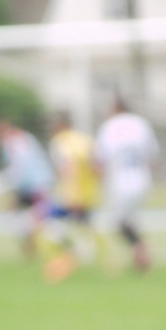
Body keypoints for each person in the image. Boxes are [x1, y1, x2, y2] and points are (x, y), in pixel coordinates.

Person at [95, 98, 160, 273]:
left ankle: (140, 250)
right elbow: (153, 156)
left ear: (115, 109)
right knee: (130, 221)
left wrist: (100, 181)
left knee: (116, 222)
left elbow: (100, 161)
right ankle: (139, 254)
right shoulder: (141, 124)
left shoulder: (109, 127)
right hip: (142, 177)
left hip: (120, 179)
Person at [42, 112, 105, 283]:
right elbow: (98, 168)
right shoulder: (86, 140)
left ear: (60, 126)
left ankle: (69, 260)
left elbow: (69, 168)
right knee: (84, 229)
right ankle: (101, 263)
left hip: (71, 196)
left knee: (51, 228)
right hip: (89, 195)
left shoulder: (60, 143)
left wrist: (73, 193)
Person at [0, 118, 54, 259]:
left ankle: (35, 246)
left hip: (36, 185)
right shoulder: (24, 138)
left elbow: (20, 167)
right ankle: (31, 245)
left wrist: (2, 181)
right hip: (31, 185)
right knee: (23, 217)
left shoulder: (14, 142)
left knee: (35, 219)